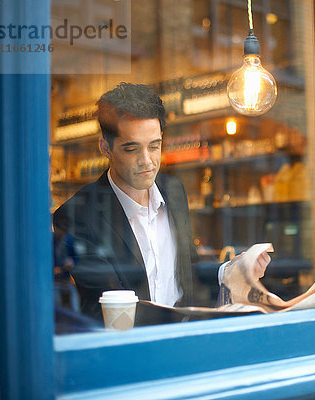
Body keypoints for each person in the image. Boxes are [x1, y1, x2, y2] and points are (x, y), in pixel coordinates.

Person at [53, 82, 270, 320]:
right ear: (105, 147)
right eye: (131, 149)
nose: (146, 161)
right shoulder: (77, 214)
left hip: (184, 337)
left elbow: (186, 270)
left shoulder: (174, 191)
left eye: (154, 146)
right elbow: (104, 308)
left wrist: (230, 271)